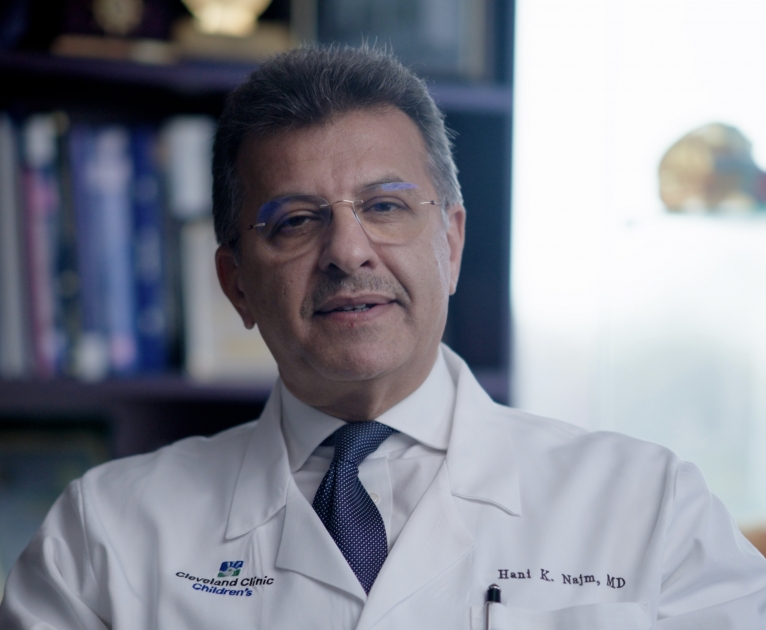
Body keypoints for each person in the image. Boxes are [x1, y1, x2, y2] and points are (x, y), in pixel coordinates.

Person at [2, 45, 766, 630]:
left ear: (451, 243)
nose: (348, 251)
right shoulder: (104, 539)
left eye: (386, 206)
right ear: (235, 284)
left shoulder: (651, 508)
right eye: (295, 220)